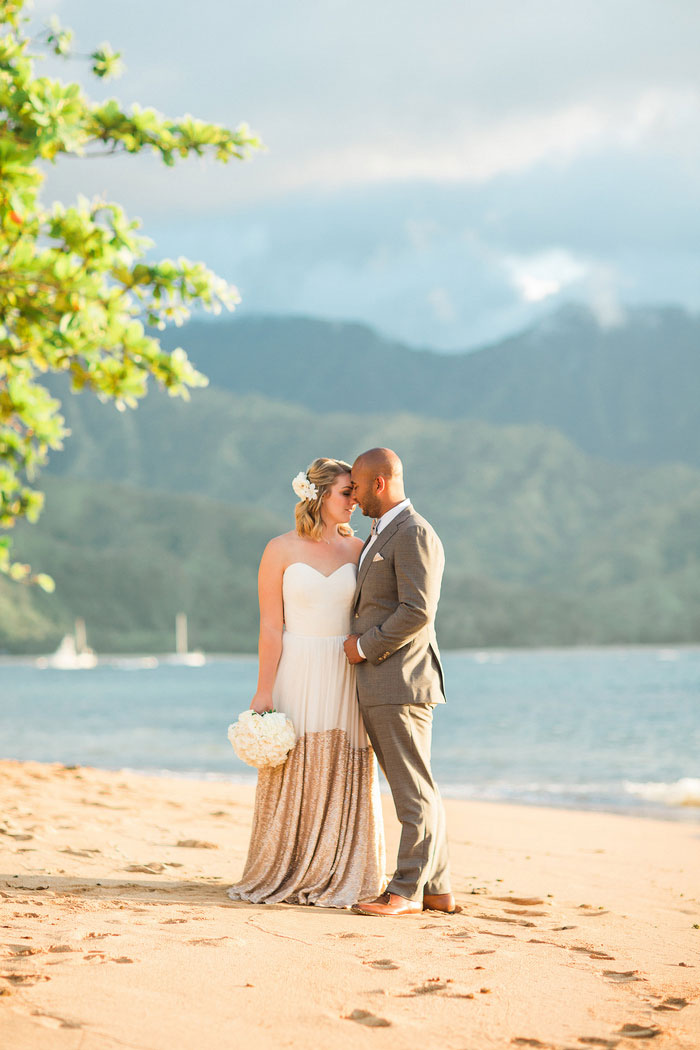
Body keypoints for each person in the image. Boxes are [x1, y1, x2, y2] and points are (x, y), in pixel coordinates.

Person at [227, 457, 386, 908]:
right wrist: (263, 691)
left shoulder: (359, 548)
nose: (354, 501)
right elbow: (270, 628)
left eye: (355, 492)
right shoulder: (279, 549)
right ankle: (288, 866)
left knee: (343, 760)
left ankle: (339, 868)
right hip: (296, 666)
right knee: (295, 761)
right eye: (345, 493)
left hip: (345, 667)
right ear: (317, 496)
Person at [343, 447, 454, 917]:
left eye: (357, 487)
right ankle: (438, 888)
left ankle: (405, 890)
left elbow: (417, 610)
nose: (354, 495)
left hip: (400, 681)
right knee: (417, 787)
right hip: (384, 684)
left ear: (380, 484)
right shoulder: (382, 532)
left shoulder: (413, 533)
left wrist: (365, 646)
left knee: (413, 792)